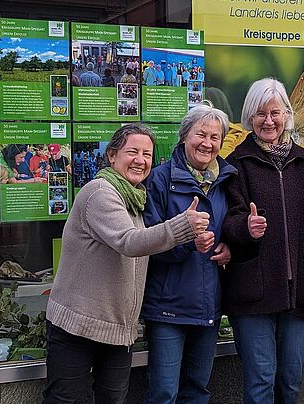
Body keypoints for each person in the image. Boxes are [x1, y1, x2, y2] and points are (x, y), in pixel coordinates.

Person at [44, 124, 211, 404]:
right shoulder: (100, 191)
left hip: (118, 329)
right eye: (132, 151)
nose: (141, 160)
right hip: (78, 326)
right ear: (112, 155)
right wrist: (182, 225)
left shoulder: (134, 198)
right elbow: (130, 242)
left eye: (147, 154)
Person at [222, 78, 304, 404]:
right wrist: (245, 227)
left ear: (287, 116)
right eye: (260, 114)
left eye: (275, 113)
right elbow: (225, 221)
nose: (269, 121)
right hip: (252, 293)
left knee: (291, 382)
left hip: (298, 294)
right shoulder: (236, 163)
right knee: (260, 382)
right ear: (250, 117)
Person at [141, 104, 237, 404]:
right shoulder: (158, 180)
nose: (207, 143)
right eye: (200, 134)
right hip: (168, 306)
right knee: (164, 393)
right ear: (184, 137)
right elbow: (145, 243)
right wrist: (187, 244)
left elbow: (230, 226)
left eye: (215, 137)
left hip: (208, 304)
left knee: (197, 390)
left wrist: (230, 247)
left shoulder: (226, 181)